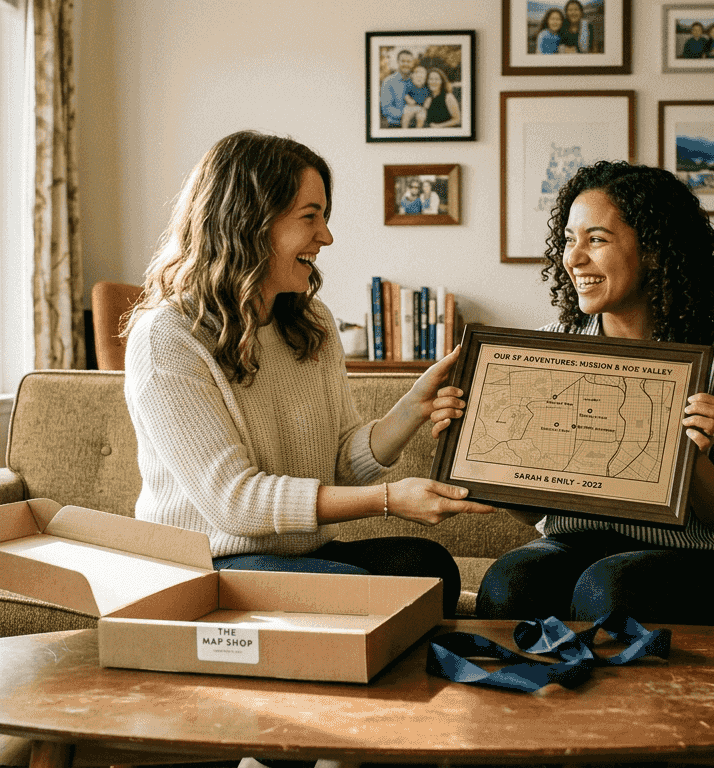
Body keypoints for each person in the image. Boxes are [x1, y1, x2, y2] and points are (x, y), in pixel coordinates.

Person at [124, 131, 494, 621]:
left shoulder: (309, 321)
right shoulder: (166, 337)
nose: (326, 236)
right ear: (250, 223)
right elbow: (234, 503)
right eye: (310, 217)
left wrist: (412, 409)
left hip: (291, 558)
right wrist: (387, 500)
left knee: (429, 568)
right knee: (366, 599)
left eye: (325, 217)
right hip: (203, 564)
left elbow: (338, 459)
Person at [430, 161, 714, 627]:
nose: (573, 258)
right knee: (508, 585)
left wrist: (688, 458)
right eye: (569, 239)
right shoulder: (550, 349)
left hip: (686, 559)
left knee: (606, 590)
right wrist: (484, 447)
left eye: (596, 239)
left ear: (653, 250)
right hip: (571, 544)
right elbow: (534, 512)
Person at [379, 49, 417, 127]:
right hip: (395, 126)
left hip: (416, 126)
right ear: (397, 62)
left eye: (409, 61)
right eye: (403, 61)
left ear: (412, 63)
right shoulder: (388, 81)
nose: (406, 64)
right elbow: (386, 109)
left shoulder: (416, 81)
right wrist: (409, 114)